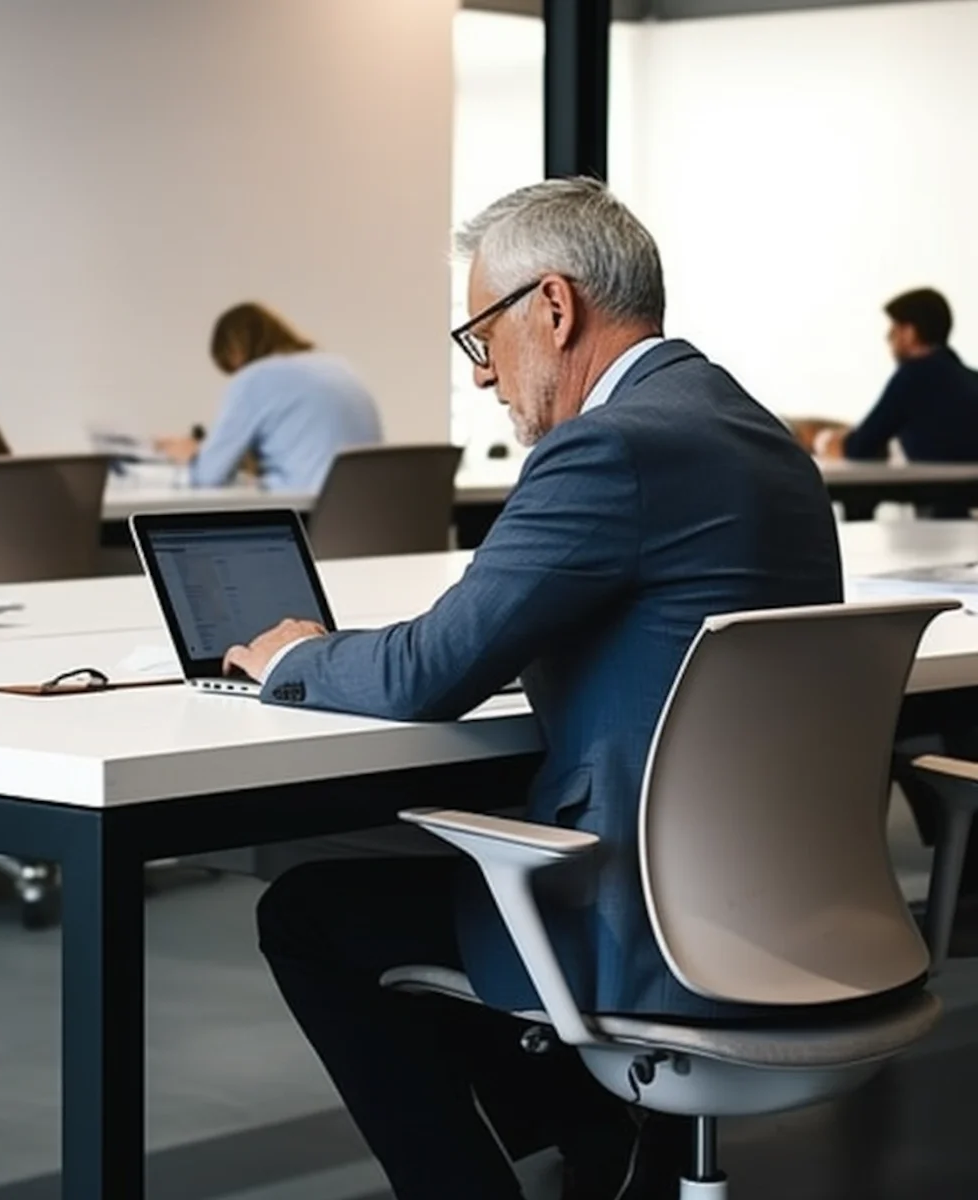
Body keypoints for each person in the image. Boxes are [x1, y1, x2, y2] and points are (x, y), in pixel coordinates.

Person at [218, 179, 844, 1200]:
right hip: (796, 908)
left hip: (651, 923)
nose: (481, 380)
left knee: (310, 911)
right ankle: (595, 1138)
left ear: (552, 307)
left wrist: (295, 656)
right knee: (449, 870)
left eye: (481, 338)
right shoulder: (759, 436)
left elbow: (428, 671)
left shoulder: (608, 446)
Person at [156, 302, 382, 491]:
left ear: (235, 352)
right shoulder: (339, 367)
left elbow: (207, 477)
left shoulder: (255, 377)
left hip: (308, 517)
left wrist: (192, 454)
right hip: (366, 515)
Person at [804, 288, 978, 462]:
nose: (888, 337)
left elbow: (858, 449)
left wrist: (823, 441)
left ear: (909, 333)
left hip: (942, 489)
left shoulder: (914, 376)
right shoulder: (971, 378)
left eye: (894, 329)